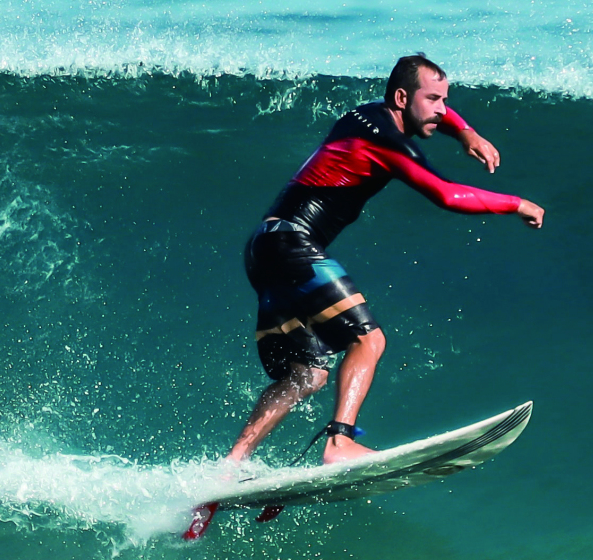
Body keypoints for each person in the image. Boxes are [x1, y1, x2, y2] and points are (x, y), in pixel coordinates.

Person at [222, 53, 544, 469]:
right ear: (401, 96)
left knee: (308, 375)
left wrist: (465, 132)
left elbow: (431, 111)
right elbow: (446, 194)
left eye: (446, 101)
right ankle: (339, 443)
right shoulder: (388, 144)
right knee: (369, 340)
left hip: (264, 246)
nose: (442, 111)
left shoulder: (362, 116)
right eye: (434, 100)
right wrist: (516, 204)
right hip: (292, 243)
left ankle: (231, 464)